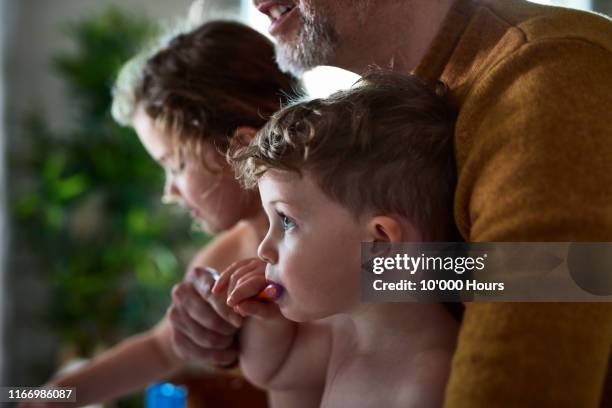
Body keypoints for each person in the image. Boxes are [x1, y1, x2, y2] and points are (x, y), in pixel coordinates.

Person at [250, 0, 612, 406]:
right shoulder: (392, 120)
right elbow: (498, 273)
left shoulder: (551, 75)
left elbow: (567, 280)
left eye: (283, 221)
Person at [22, 20, 300, 407]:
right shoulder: (225, 257)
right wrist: (48, 395)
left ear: (240, 146)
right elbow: (159, 350)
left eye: (176, 164)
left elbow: (414, 285)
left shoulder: (343, 222)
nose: (169, 190)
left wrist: (326, 278)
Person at [216, 71, 460, 407]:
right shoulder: (346, 327)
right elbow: (273, 371)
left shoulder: (429, 383)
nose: (264, 248)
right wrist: (269, 320)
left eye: (286, 221)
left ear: (380, 245)